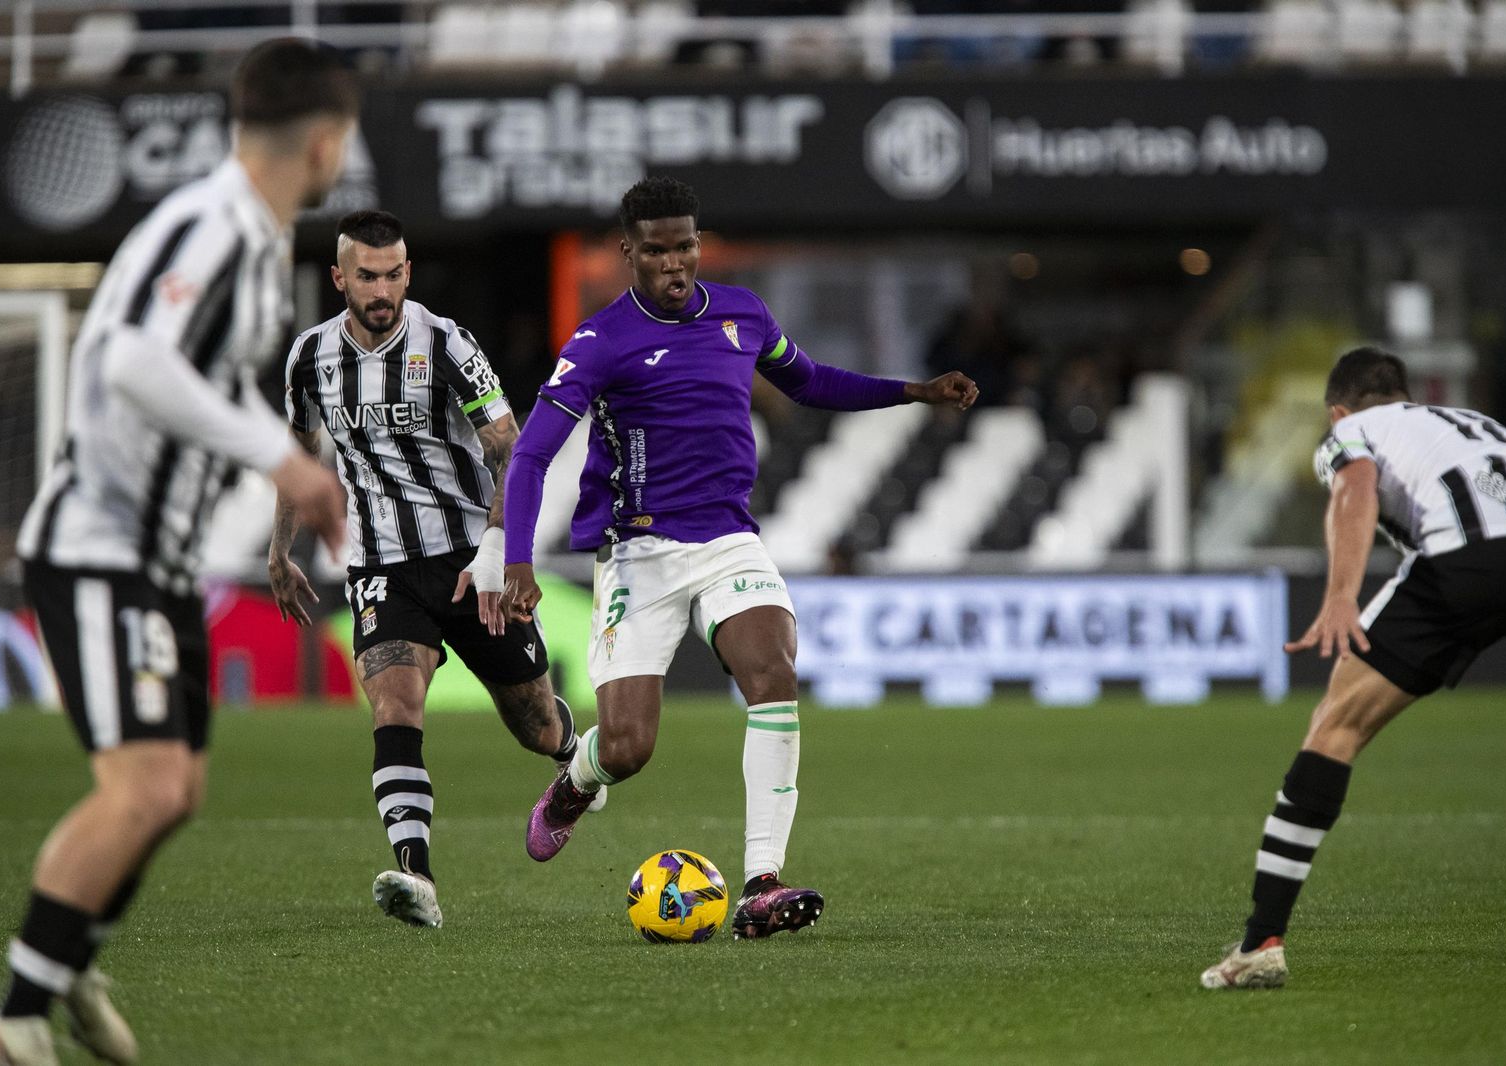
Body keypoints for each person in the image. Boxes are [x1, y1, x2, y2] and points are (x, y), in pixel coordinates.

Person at [0, 39, 355, 1066]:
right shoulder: (216, 226)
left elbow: (192, 377)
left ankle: (68, 954)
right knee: (140, 788)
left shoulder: (254, 238)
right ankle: (13, 1017)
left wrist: (279, 455)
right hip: (101, 551)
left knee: (175, 792)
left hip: (159, 560)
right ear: (325, 139)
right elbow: (136, 359)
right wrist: (288, 463)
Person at [499, 177, 978, 939]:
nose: (674, 262)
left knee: (773, 671)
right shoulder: (600, 342)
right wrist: (517, 561)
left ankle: (761, 882)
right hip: (639, 553)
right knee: (629, 748)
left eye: (684, 245)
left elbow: (811, 380)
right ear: (628, 253)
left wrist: (914, 391)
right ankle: (574, 784)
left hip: (728, 540)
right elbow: (530, 456)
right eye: (656, 250)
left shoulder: (741, 314)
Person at [268, 209, 601, 931]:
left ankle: (573, 754)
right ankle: (415, 873)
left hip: (467, 563)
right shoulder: (309, 357)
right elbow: (296, 453)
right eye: (366, 276)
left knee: (534, 724)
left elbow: (510, 447)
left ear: (408, 273)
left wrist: (495, 549)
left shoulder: (446, 343)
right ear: (339, 278)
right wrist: (279, 549)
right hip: (381, 566)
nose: (381, 289)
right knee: (393, 704)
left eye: (393, 275)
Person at [1201, 347, 1506, 989]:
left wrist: (1342, 592)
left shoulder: (1351, 431)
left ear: (1337, 409)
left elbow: (1355, 485)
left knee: (1334, 728)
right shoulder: (1490, 428)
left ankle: (1262, 943)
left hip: (1461, 563)